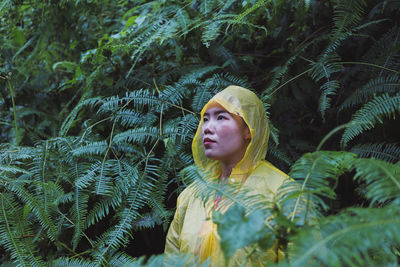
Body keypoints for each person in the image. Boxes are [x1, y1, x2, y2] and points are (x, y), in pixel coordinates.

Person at [165, 85, 288, 266]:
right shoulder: (191, 197)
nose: (207, 128)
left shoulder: (282, 192)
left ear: (249, 129)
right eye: (205, 119)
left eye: (221, 117)